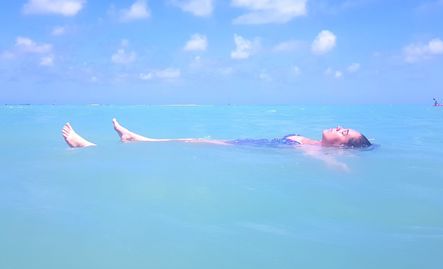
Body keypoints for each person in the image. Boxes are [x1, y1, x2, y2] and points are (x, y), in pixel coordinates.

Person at [62, 118, 372, 149]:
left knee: (192, 141)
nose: (338, 127)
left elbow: (339, 169)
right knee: (191, 140)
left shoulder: (321, 154)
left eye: (343, 133)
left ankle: (88, 147)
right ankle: (133, 139)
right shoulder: (312, 142)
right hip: (252, 144)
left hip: (250, 149)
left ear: (342, 147)